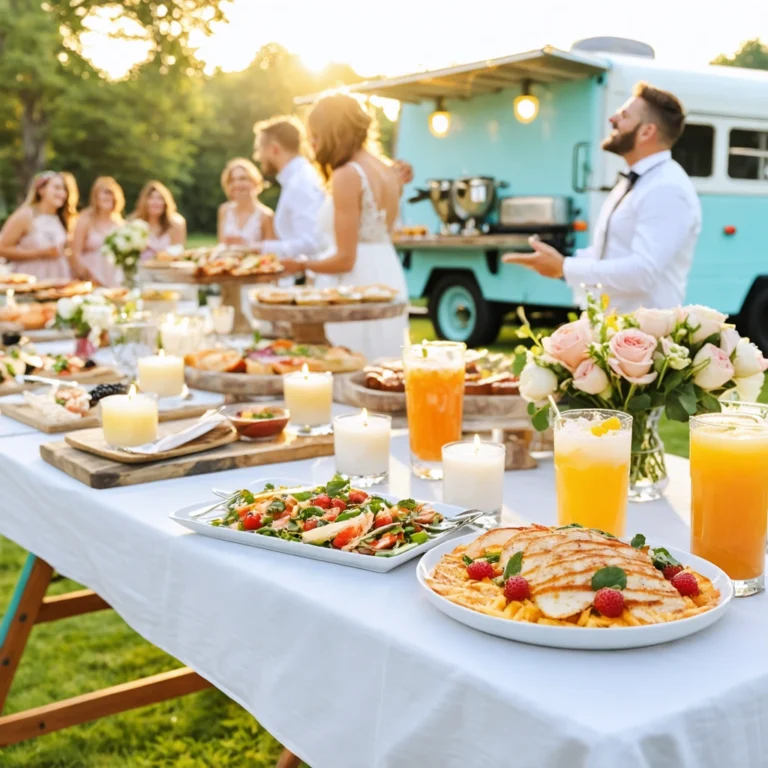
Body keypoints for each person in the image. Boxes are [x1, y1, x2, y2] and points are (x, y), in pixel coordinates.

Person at [502, 81, 702, 312]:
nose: (612, 119)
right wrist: (560, 261)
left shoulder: (667, 188)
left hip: (646, 336)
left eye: (624, 115)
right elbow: (606, 254)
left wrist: (565, 267)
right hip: (614, 328)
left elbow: (643, 272)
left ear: (647, 131)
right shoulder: (635, 181)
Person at [279, 94, 409, 360]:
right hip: (387, 273)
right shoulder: (386, 170)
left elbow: (345, 259)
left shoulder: (347, 174)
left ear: (332, 131)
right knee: (382, 365)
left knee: (350, 363)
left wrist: (302, 264)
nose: (313, 143)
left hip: (356, 283)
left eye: (315, 134)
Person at [252, 116, 325, 258]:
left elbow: (312, 242)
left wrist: (261, 247)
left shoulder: (300, 182)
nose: (257, 156)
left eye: (259, 149)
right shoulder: (298, 177)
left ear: (274, 148)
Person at [0, 171, 79, 280]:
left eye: (64, 189)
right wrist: (41, 253)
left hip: (58, 279)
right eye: (57, 188)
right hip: (30, 280)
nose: (63, 193)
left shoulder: (62, 219)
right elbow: (2, 249)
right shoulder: (25, 215)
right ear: (41, 190)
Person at [70, 176, 124, 287]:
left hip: (114, 278)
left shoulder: (120, 224)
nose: (109, 196)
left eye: (111, 193)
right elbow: (75, 254)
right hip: (89, 278)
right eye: (105, 193)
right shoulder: (84, 220)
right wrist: (89, 277)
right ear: (96, 196)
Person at [217, 158, 275, 248]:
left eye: (242, 179)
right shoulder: (224, 210)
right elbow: (221, 245)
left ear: (254, 181)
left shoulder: (266, 216)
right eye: (232, 180)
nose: (236, 184)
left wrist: (245, 245)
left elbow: (272, 254)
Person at [132, 180, 187, 260]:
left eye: (160, 198)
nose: (155, 202)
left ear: (165, 202)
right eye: (151, 198)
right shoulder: (134, 222)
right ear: (144, 201)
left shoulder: (176, 223)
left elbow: (179, 253)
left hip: (166, 270)